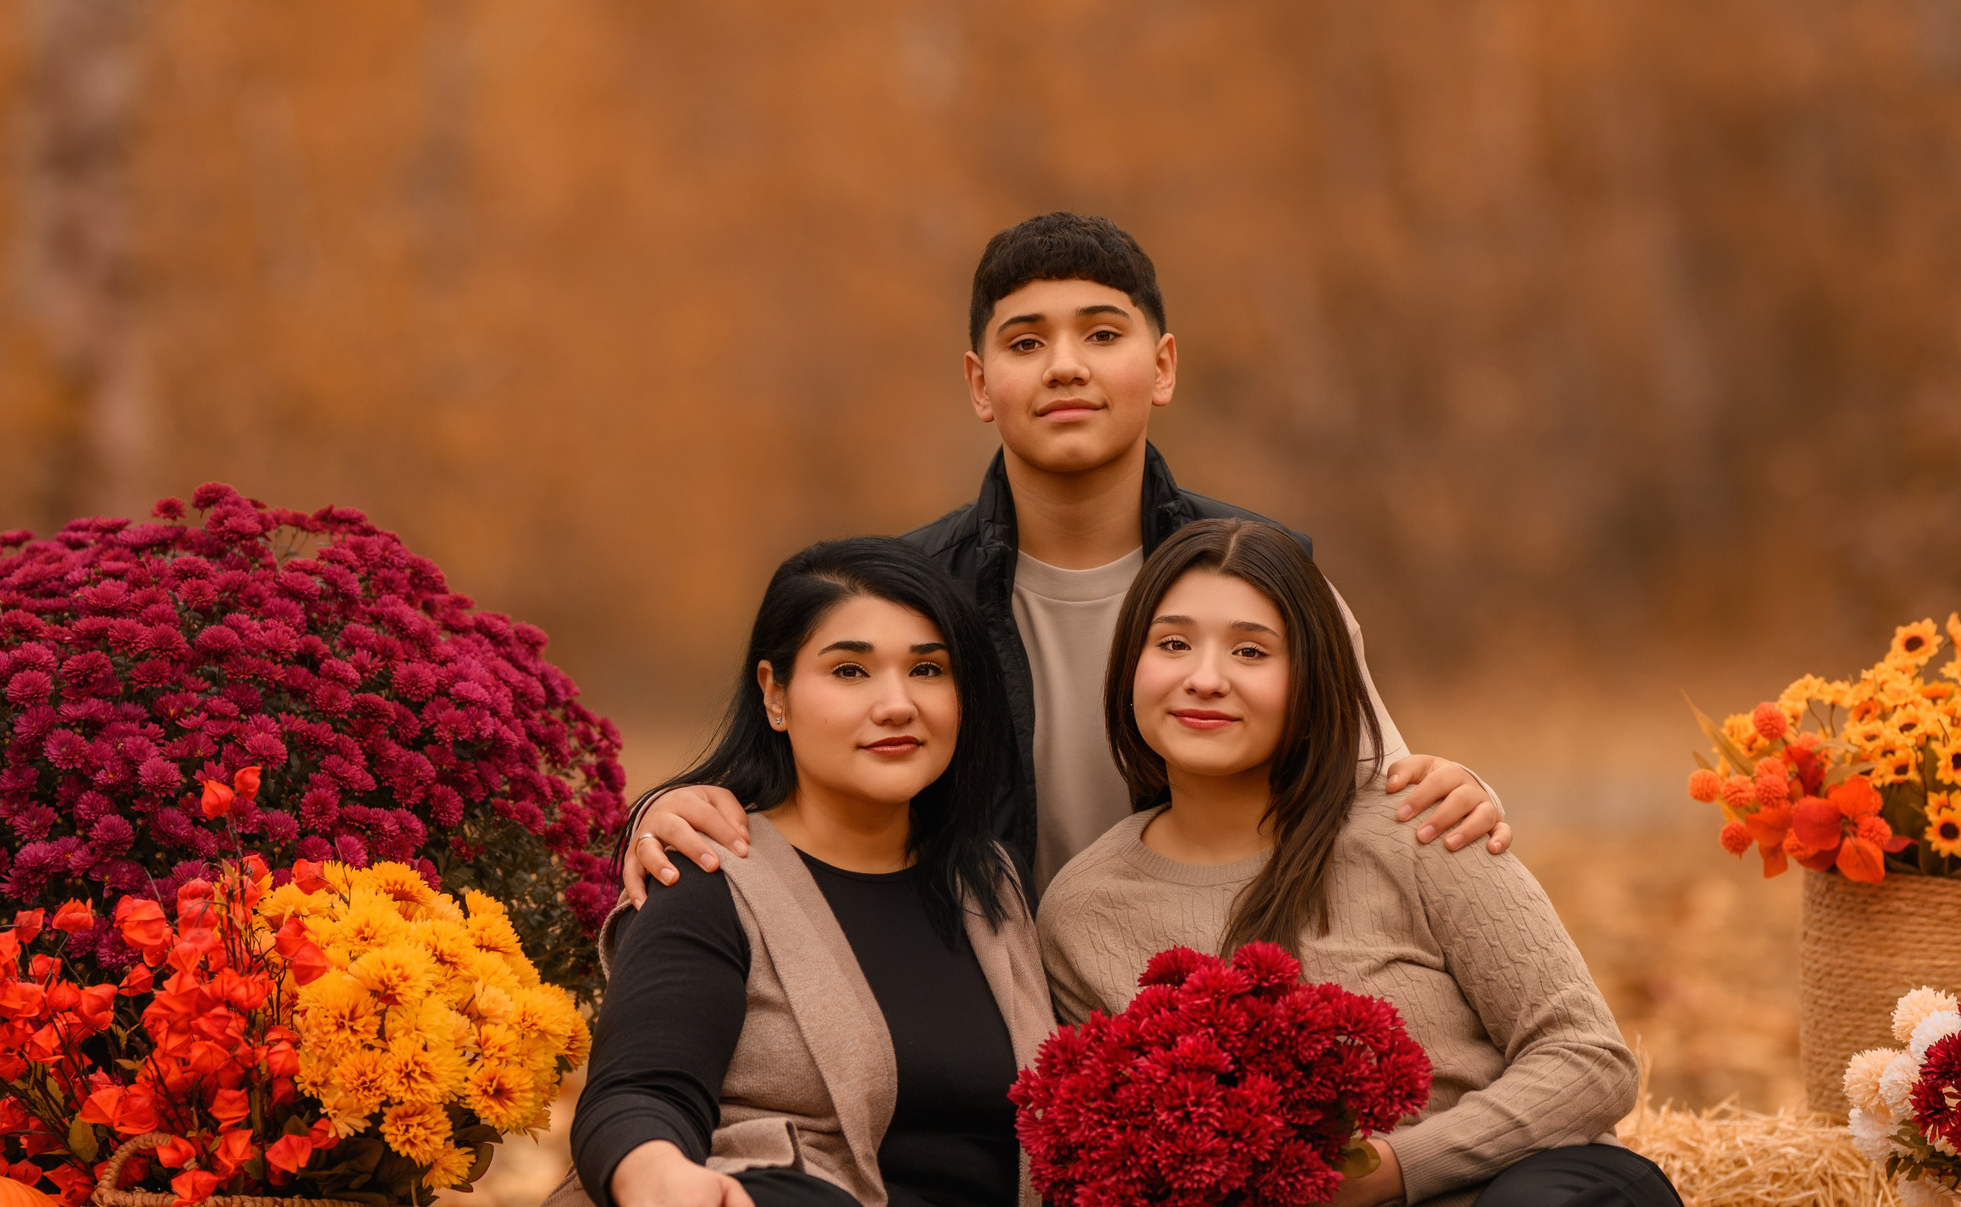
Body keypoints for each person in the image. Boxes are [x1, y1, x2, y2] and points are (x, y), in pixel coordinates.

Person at [1033, 518, 1961, 1207]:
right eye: (1174, 643)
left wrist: (1399, 1169)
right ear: (1130, 667)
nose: (1205, 677)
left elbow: (1587, 1058)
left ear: (1309, 683)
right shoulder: (1084, 912)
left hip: (1530, 1202)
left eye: (1249, 650)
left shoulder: (1410, 822)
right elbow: (1121, 1161)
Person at [252, 539, 1112, 1207]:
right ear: (776, 695)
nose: (897, 702)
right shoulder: (709, 874)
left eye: (928, 669)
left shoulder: (991, 893)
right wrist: (654, 1174)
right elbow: (638, 1088)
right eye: (850, 669)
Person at [619, 212, 1511, 903]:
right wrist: (660, 811)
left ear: (1161, 367)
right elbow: (771, 783)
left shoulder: (1268, 574)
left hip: (1213, 1005)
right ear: (980, 384)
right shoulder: (909, 594)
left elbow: (1371, 789)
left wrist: (1460, 785)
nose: (1065, 367)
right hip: (978, 1023)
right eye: (1026, 342)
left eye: (1102, 334)